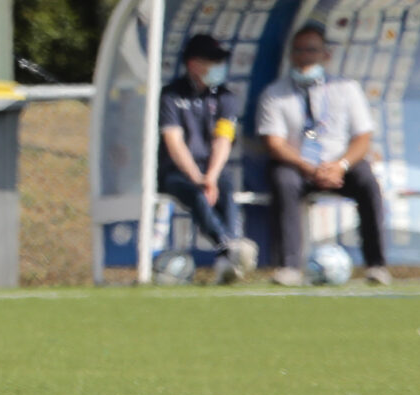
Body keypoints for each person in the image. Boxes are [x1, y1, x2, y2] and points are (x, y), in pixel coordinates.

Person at [256, 22, 391, 287]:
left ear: (325, 54)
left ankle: (377, 265)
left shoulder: (346, 88)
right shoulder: (275, 93)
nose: (305, 56)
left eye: (311, 50)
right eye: (299, 51)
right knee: (283, 180)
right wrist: (307, 167)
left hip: (339, 164)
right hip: (298, 165)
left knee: (367, 181)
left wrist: (340, 165)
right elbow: (273, 142)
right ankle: (289, 267)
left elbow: (363, 137)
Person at [156, 33, 251, 284]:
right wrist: (197, 177)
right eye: (211, 60)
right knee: (198, 195)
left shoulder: (225, 97)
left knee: (226, 187)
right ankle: (228, 247)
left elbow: (223, 139)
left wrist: (210, 176)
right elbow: (174, 141)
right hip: (176, 171)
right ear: (193, 64)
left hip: (211, 169)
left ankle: (228, 256)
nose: (218, 67)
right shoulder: (171, 95)